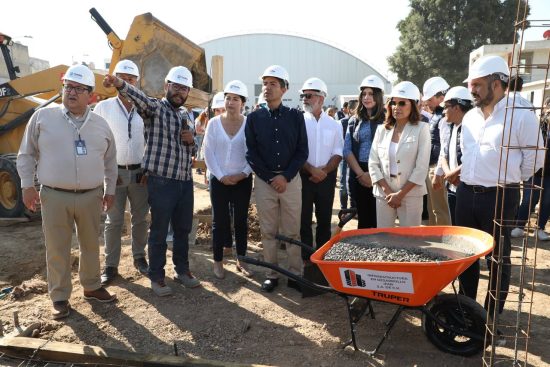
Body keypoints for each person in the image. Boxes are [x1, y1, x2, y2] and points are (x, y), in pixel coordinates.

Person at [17, 64, 117, 319]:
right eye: (68, 86)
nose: (71, 92)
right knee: (57, 247)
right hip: (53, 195)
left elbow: (110, 161)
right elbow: (26, 153)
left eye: (78, 88)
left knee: (91, 244)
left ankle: (92, 286)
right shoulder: (42, 117)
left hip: (91, 195)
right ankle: (60, 296)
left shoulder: (101, 125)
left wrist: (110, 190)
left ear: (91, 96)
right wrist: (27, 186)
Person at [103, 65, 201, 297]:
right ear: (167, 86)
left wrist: (191, 141)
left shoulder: (186, 114)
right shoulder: (155, 109)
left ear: (188, 92)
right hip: (161, 183)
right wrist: (120, 84)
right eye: (175, 86)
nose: (179, 92)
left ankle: (182, 271)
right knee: (158, 231)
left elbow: (192, 149)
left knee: (182, 230)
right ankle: (157, 276)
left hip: (184, 182)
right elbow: (140, 98)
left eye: (184, 88)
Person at [457, 55, 543, 316]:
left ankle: (491, 315)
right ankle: (467, 309)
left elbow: (534, 159)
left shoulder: (520, 115)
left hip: (499, 196)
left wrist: (508, 178)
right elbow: (466, 154)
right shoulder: (471, 116)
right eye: (471, 84)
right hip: (465, 193)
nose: (471, 90)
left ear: (497, 84)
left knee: (497, 259)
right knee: (465, 254)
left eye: (477, 85)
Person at [245, 65, 308, 293]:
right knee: (268, 230)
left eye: (273, 84)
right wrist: (270, 178)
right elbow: (251, 153)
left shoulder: (295, 117)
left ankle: (295, 272)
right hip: (265, 183)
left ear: (284, 88)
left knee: (292, 231)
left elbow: (302, 151)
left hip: (290, 181)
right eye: (265, 83)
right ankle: (272, 273)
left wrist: (285, 176)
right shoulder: (254, 118)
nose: (267, 88)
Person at [92, 60, 149, 286]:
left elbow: (152, 141)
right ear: (116, 81)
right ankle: (111, 265)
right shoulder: (103, 108)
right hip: (113, 173)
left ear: (137, 82)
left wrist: (148, 168)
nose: (127, 82)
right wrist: (104, 172)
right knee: (113, 221)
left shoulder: (145, 109)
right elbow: (96, 141)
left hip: (140, 173)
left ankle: (139, 258)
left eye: (131, 79)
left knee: (141, 219)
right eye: (123, 78)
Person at [203, 80, 253, 279]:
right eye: (228, 98)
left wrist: (243, 173)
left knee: (241, 220)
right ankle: (218, 262)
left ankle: (242, 259)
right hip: (219, 180)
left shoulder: (249, 124)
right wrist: (221, 176)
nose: (231, 102)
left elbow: (253, 153)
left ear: (243, 102)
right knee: (219, 221)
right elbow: (208, 152)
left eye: (235, 99)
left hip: (242, 180)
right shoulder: (214, 124)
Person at [368, 81, 431, 228]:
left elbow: (421, 168)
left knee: (410, 241)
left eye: (402, 103)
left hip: (411, 194)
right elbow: (373, 163)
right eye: (393, 103)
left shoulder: (422, 129)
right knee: (384, 238)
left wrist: (400, 194)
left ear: (414, 105)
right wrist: (388, 192)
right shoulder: (382, 130)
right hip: (384, 194)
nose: (396, 107)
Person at [299, 77, 344, 259]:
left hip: (326, 180)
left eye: (308, 95)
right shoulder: (298, 122)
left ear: (321, 98)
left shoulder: (334, 124)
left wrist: (323, 172)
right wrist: (312, 170)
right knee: (303, 221)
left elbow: (338, 152)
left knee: (324, 220)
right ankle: (306, 258)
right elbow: (296, 152)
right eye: (303, 95)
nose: (304, 99)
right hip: (303, 178)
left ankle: (322, 257)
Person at [344, 75, 386, 228]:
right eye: (364, 94)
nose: (367, 97)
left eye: (371, 94)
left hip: (382, 174)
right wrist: (361, 174)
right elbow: (347, 150)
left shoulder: (389, 120)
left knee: (380, 220)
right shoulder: (354, 120)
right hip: (359, 173)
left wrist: (374, 175)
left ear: (379, 96)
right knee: (363, 220)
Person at [511, 96, 550, 241]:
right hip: (534, 170)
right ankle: (519, 226)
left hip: (549, 173)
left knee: (547, 201)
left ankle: (540, 229)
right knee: (529, 199)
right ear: (544, 108)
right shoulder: (538, 125)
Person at [439, 86, 474, 225]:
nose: (443, 111)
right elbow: (444, 153)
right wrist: (448, 173)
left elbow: (475, 156)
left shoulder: (471, 128)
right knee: (454, 225)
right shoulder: (450, 127)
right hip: (452, 187)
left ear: (457, 107)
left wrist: (454, 173)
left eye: (446, 107)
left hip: (466, 188)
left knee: (465, 227)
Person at [422, 76, 452, 226]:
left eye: (430, 98)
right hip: (432, 167)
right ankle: (435, 237)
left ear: (441, 97)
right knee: (432, 208)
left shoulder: (445, 117)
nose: (427, 102)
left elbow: (445, 146)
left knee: (439, 209)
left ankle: (443, 240)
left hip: (437, 168)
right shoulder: (436, 115)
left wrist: (439, 171)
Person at [338, 99, 359, 210]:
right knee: (343, 184)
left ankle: (353, 207)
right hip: (344, 157)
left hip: (355, 157)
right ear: (350, 109)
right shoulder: (343, 122)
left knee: (353, 182)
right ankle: (344, 208)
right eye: (356, 108)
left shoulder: (360, 121)